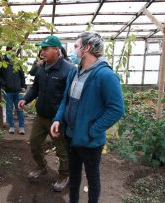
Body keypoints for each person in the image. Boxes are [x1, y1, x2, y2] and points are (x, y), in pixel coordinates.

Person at [50, 31, 124, 203]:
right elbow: (66, 100)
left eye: (76, 46)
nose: (73, 51)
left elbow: (116, 109)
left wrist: (93, 129)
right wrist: (57, 119)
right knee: (74, 178)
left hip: (90, 141)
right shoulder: (75, 73)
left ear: (87, 48)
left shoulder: (105, 75)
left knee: (92, 179)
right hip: (71, 136)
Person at [18, 35, 75, 192]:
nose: (42, 52)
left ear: (56, 50)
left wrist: (62, 118)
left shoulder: (69, 70)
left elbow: (69, 97)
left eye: (45, 49)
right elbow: (36, 88)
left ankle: (64, 175)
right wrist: (26, 99)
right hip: (41, 116)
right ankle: (42, 167)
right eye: (41, 49)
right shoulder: (42, 68)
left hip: (57, 119)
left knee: (62, 150)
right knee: (35, 144)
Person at [0, 46, 26, 135]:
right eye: (10, 51)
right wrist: (3, 84)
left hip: (18, 90)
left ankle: (21, 127)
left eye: (13, 51)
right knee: (9, 109)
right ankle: (11, 127)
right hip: (7, 91)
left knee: (19, 108)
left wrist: (23, 86)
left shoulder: (17, 62)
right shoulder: (1, 62)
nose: (12, 53)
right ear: (7, 51)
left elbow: (22, 75)